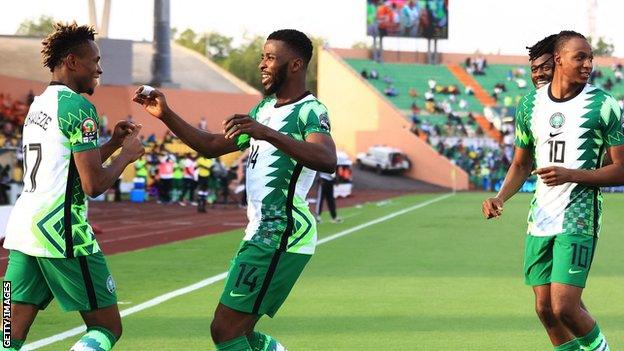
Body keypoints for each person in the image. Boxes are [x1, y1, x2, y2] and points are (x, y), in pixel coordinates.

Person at [133, 28, 336, 351]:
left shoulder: (310, 110)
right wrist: (166, 114)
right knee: (237, 331)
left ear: (295, 65)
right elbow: (213, 146)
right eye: (262, 57)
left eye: (270, 58)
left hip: (281, 232)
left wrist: (267, 133)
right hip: (259, 232)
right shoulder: (264, 109)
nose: (262, 64)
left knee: (225, 331)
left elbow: (327, 158)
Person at [2, 22, 144, 351]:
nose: (99, 68)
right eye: (94, 61)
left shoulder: (38, 105)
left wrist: (110, 144)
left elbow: (67, 162)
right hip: (62, 231)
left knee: (9, 332)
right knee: (107, 328)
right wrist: (126, 157)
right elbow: (92, 184)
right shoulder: (79, 108)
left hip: (24, 229)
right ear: (71, 61)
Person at [482, 31, 624, 351]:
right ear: (560, 59)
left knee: (565, 307)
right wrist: (499, 197)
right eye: (580, 58)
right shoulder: (530, 104)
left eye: (590, 58)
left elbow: (621, 169)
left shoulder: (603, 104)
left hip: (579, 214)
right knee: (545, 310)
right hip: (541, 215)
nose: (588, 64)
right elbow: (520, 165)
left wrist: (570, 174)